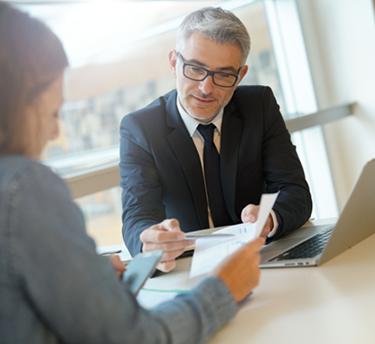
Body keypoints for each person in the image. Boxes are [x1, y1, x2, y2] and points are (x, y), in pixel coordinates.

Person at [0, 2, 265, 343]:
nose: (54, 134)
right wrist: (224, 290)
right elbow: (134, 337)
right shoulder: (26, 188)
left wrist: (83, 277)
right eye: (52, 114)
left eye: (222, 74)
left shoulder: (258, 105)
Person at [120, 6, 313, 271]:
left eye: (223, 74)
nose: (206, 88)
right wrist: (149, 243)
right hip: (187, 269)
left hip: (260, 259)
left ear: (240, 76)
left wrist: (270, 219)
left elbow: (295, 191)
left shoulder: (259, 106)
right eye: (196, 69)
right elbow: (137, 215)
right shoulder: (140, 128)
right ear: (175, 63)